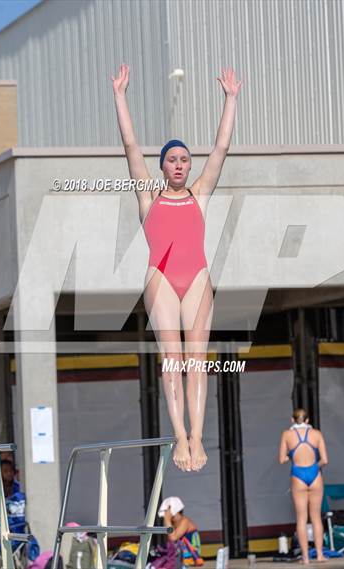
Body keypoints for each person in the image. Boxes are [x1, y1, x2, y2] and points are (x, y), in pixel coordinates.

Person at [112, 64, 242, 472]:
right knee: (172, 359)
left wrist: (231, 99)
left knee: (196, 360)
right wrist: (120, 96)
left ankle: (198, 435)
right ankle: (180, 435)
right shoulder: (148, 196)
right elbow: (131, 147)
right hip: (161, 278)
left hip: (198, 277)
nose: (181, 165)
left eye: (186, 159)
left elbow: (220, 149)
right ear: (163, 166)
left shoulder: (200, 193)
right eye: (173, 160)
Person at [279, 408, 329, 565]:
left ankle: (306, 558)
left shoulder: (287, 435)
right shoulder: (317, 434)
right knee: (316, 517)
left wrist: (291, 457)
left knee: (301, 518)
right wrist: (314, 466)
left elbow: (281, 459)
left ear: (292, 420)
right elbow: (325, 460)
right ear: (307, 420)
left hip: (298, 475)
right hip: (314, 474)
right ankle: (320, 555)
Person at [158, 497, 202, 566]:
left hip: (190, 556)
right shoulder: (173, 524)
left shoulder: (185, 521)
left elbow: (173, 538)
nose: (165, 515)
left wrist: (167, 519)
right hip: (180, 555)